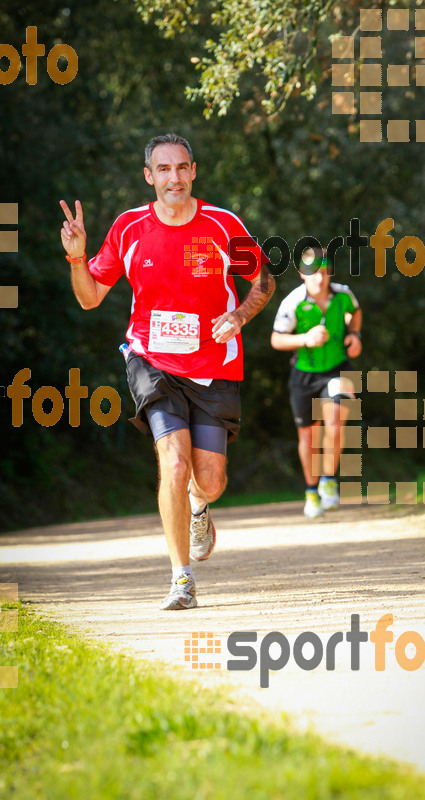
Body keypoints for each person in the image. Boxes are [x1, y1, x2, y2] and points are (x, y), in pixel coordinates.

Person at [60, 133, 274, 610]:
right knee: (172, 464)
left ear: (193, 171)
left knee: (211, 479)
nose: (173, 177)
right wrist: (77, 256)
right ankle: (182, 578)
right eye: (163, 169)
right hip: (151, 361)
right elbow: (90, 295)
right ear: (149, 176)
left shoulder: (221, 226)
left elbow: (262, 280)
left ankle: (200, 507)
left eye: (181, 168)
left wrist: (238, 316)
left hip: (214, 364)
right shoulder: (130, 227)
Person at [271, 248, 362, 518]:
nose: (319, 279)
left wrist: (355, 334)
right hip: (304, 375)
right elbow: (276, 340)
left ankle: (328, 479)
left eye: (323, 272)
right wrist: (304, 339)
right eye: (313, 273)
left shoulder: (343, 294)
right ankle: (311, 491)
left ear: (329, 272)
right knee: (309, 436)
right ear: (302, 274)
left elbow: (355, 312)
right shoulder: (292, 302)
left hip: (338, 369)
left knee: (335, 422)